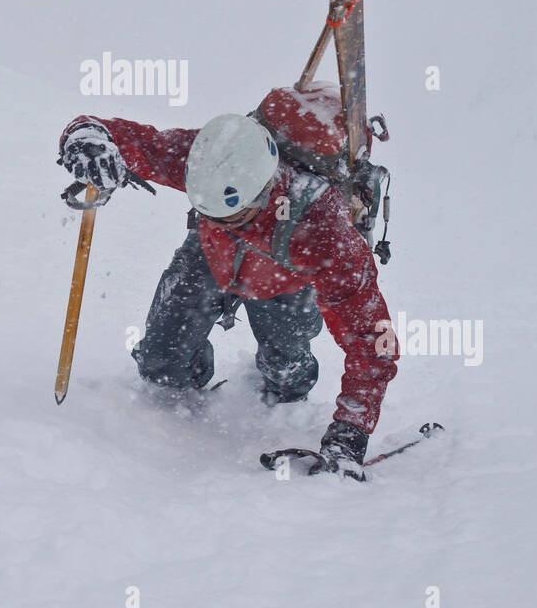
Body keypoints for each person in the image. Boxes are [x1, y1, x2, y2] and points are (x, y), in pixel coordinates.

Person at [58, 98, 400, 480]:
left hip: (284, 283)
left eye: (232, 216)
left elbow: (372, 343)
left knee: (286, 377)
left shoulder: (323, 229)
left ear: (265, 190)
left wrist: (349, 435)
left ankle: (287, 376)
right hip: (208, 259)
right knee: (160, 365)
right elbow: (124, 136)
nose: (220, 222)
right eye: (208, 212)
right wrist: (86, 139)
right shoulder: (205, 156)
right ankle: (188, 370)